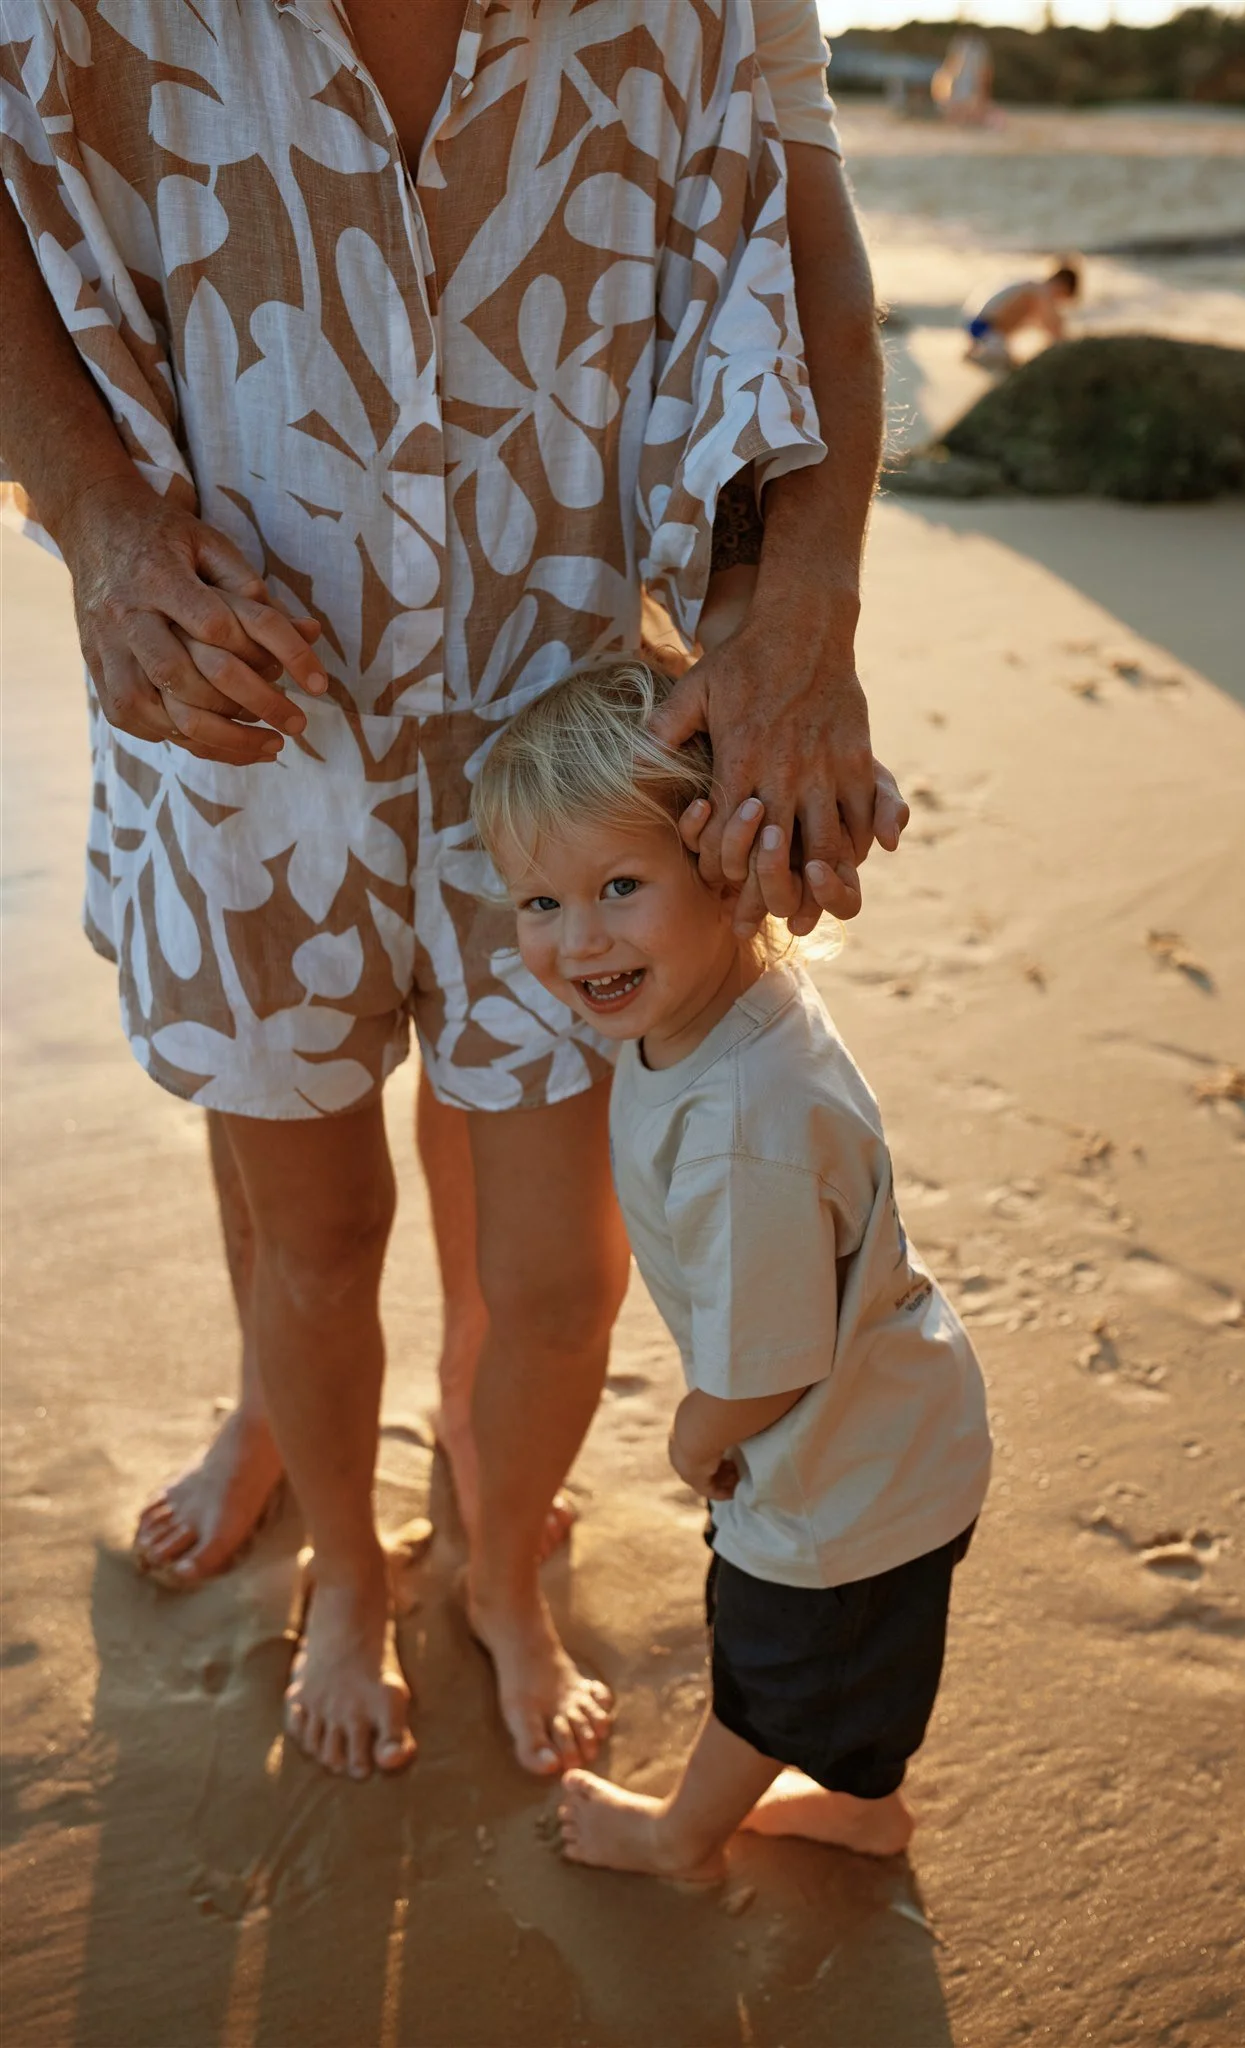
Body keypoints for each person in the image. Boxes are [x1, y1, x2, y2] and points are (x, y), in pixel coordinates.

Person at [0, 0, 894, 1782]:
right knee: (311, 1213)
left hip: (556, 730)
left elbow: (799, 226)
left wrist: (806, 592)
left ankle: (494, 1550)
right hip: (243, 687)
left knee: (538, 1266)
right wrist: (95, 515)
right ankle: (342, 1551)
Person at [470, 661, 992, 1881]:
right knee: (862, 1659)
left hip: (835, 1478)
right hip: (899, 1425)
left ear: (725, 866)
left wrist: (696, 1439)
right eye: (537, 901)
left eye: (618, 886)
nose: (578, 936)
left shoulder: (740, 1129)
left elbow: (769, 1362)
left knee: (771, 1672)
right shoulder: (728, 1008)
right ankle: (862, 1802)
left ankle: (677, 1838)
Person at [963, 261, 1082, 372]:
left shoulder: (1030, 288)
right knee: (1012, 370)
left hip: (980, 332)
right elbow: (1054, 328)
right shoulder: (1039, 291)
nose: (1058, 302)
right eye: (1062, 297)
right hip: (986, 334)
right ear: (1062, 285)